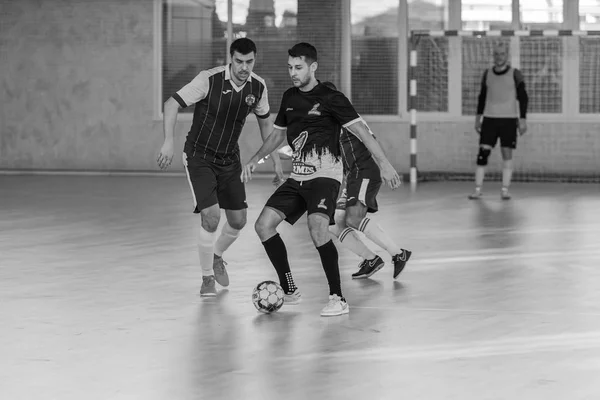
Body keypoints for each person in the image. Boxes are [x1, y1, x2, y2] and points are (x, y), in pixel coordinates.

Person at [241, 43, 401, 317]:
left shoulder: (331, 97)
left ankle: (338, 298)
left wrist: (384, 164)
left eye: (298, 67)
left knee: (318, 227)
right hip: (298, 177)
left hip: (325, 177)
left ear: (313, 67)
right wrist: (255, 158)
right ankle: (289, 289)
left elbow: (362, 132)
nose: (293, 72)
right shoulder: (290, 97)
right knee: (263, 225)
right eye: (290, 67)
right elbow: (278, 135)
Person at [157, 38, 284, 297]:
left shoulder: (258, 87)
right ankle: (206, 279)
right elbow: (171, 104)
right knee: (212, 218)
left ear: (254, 60)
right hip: (199, 157)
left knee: (238, 221)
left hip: (229, 160)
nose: (244, 67)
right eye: (239, 61)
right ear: (231, 58)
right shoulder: (209, 79)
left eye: (249, 62)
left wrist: (276, 161)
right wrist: (168, 142)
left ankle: (216, 256)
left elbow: (266, 125)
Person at [316, 81, 412, 280]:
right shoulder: (329, 123)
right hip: (351, 175)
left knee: (353, 218)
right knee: (334, 223)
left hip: (365, 171)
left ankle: (398, 253)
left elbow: (369, 139)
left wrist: (385, 165)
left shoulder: (348, 118)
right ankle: (371, 259)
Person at [469, 42, 529, 200]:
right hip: (490, 119)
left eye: (501, 54)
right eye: (496, 54)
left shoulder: (515, 74)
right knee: (482, 154)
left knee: (506, 153)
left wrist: (522, 119)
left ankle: (504, 189)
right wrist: (478, 118)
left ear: (507, 56)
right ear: (493, 56)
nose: (498, 57)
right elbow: (481, 97)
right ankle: (477, 189)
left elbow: (523, 98)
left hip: (509, 120)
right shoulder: (487, 73)